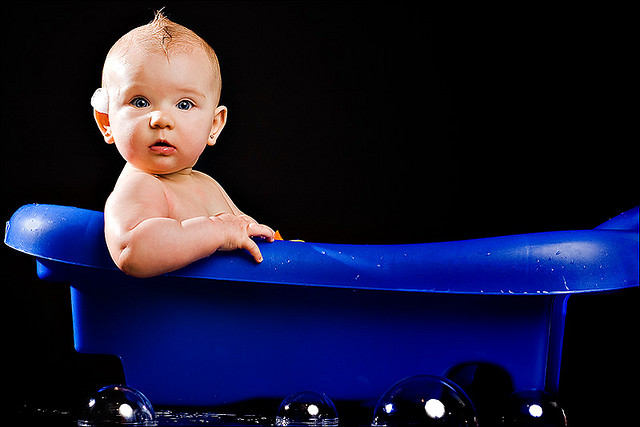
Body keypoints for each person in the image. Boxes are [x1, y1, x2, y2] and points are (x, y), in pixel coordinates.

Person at [93, 10, 276, 278]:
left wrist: (278, 248)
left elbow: (245, 235)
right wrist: (217, 231)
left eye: (184, 104)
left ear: (214, 126)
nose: (161, 119)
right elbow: (132, 250)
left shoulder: (208, 186)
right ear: (106, 122)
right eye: (140, 102)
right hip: (168, 317)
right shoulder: (141, 185)